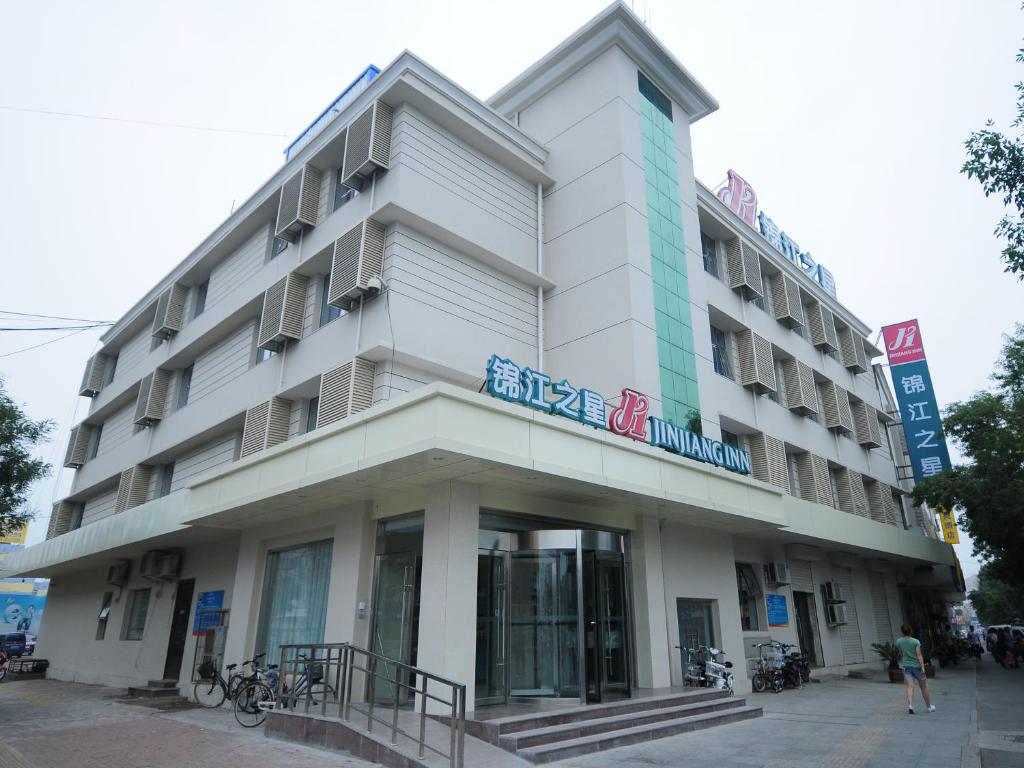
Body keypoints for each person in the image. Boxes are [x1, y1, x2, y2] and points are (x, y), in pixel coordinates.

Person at [896, 624, 935, 714]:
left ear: (902, 632)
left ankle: (910, 705)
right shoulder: (915, 642)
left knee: (910, 686)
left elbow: (900, 653)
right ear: (911, 631)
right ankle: (929, 707)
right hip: (917, 667)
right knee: (923, 687)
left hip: (906, 666)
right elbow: (919, 655)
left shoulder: (899, 641)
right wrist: (923, 667)